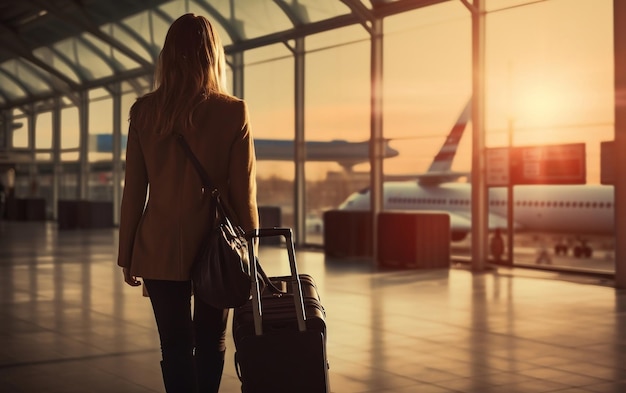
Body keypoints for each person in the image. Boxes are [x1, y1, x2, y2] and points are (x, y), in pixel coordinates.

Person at [117, 14, 259, 393]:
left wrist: (127, 254)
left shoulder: (144, 112)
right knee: (211, 343)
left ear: (168, 55)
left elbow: (134, 192)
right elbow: (244, 192)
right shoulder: (233, 111)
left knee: (175, 345)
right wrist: (250, 250)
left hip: (157, 245)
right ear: (212, 55)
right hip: (217, 246)